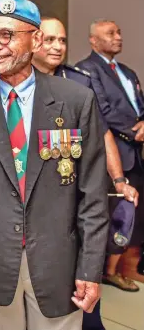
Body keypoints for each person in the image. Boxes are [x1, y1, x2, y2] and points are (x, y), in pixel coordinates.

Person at [0, 0, 109, 330]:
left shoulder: (75, 100)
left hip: (57, 264)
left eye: (6, 35)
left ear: (35, 40)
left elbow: (93, 193)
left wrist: (90, 269)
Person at [32, 16, 140, 329]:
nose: (57, 47)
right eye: (49, 39)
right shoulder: (16, 85)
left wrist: (119, 181)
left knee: (86, 277)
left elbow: (103, 133)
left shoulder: (78, 81)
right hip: (35, 206)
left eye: (62, 40)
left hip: (76, 197)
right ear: (32, 41)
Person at [76, 19, 144, 287]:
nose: (118, 37)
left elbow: (139, 105)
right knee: (114, 213)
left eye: (119, 32)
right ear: (94, 40)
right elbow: (101, 111)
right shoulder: (86, 71)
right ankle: (109, 272)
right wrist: (133, 131)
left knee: (134, 213)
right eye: (111, 33)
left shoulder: (127, 72)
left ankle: (125, 268)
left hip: (135, 153)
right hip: (111, 153)